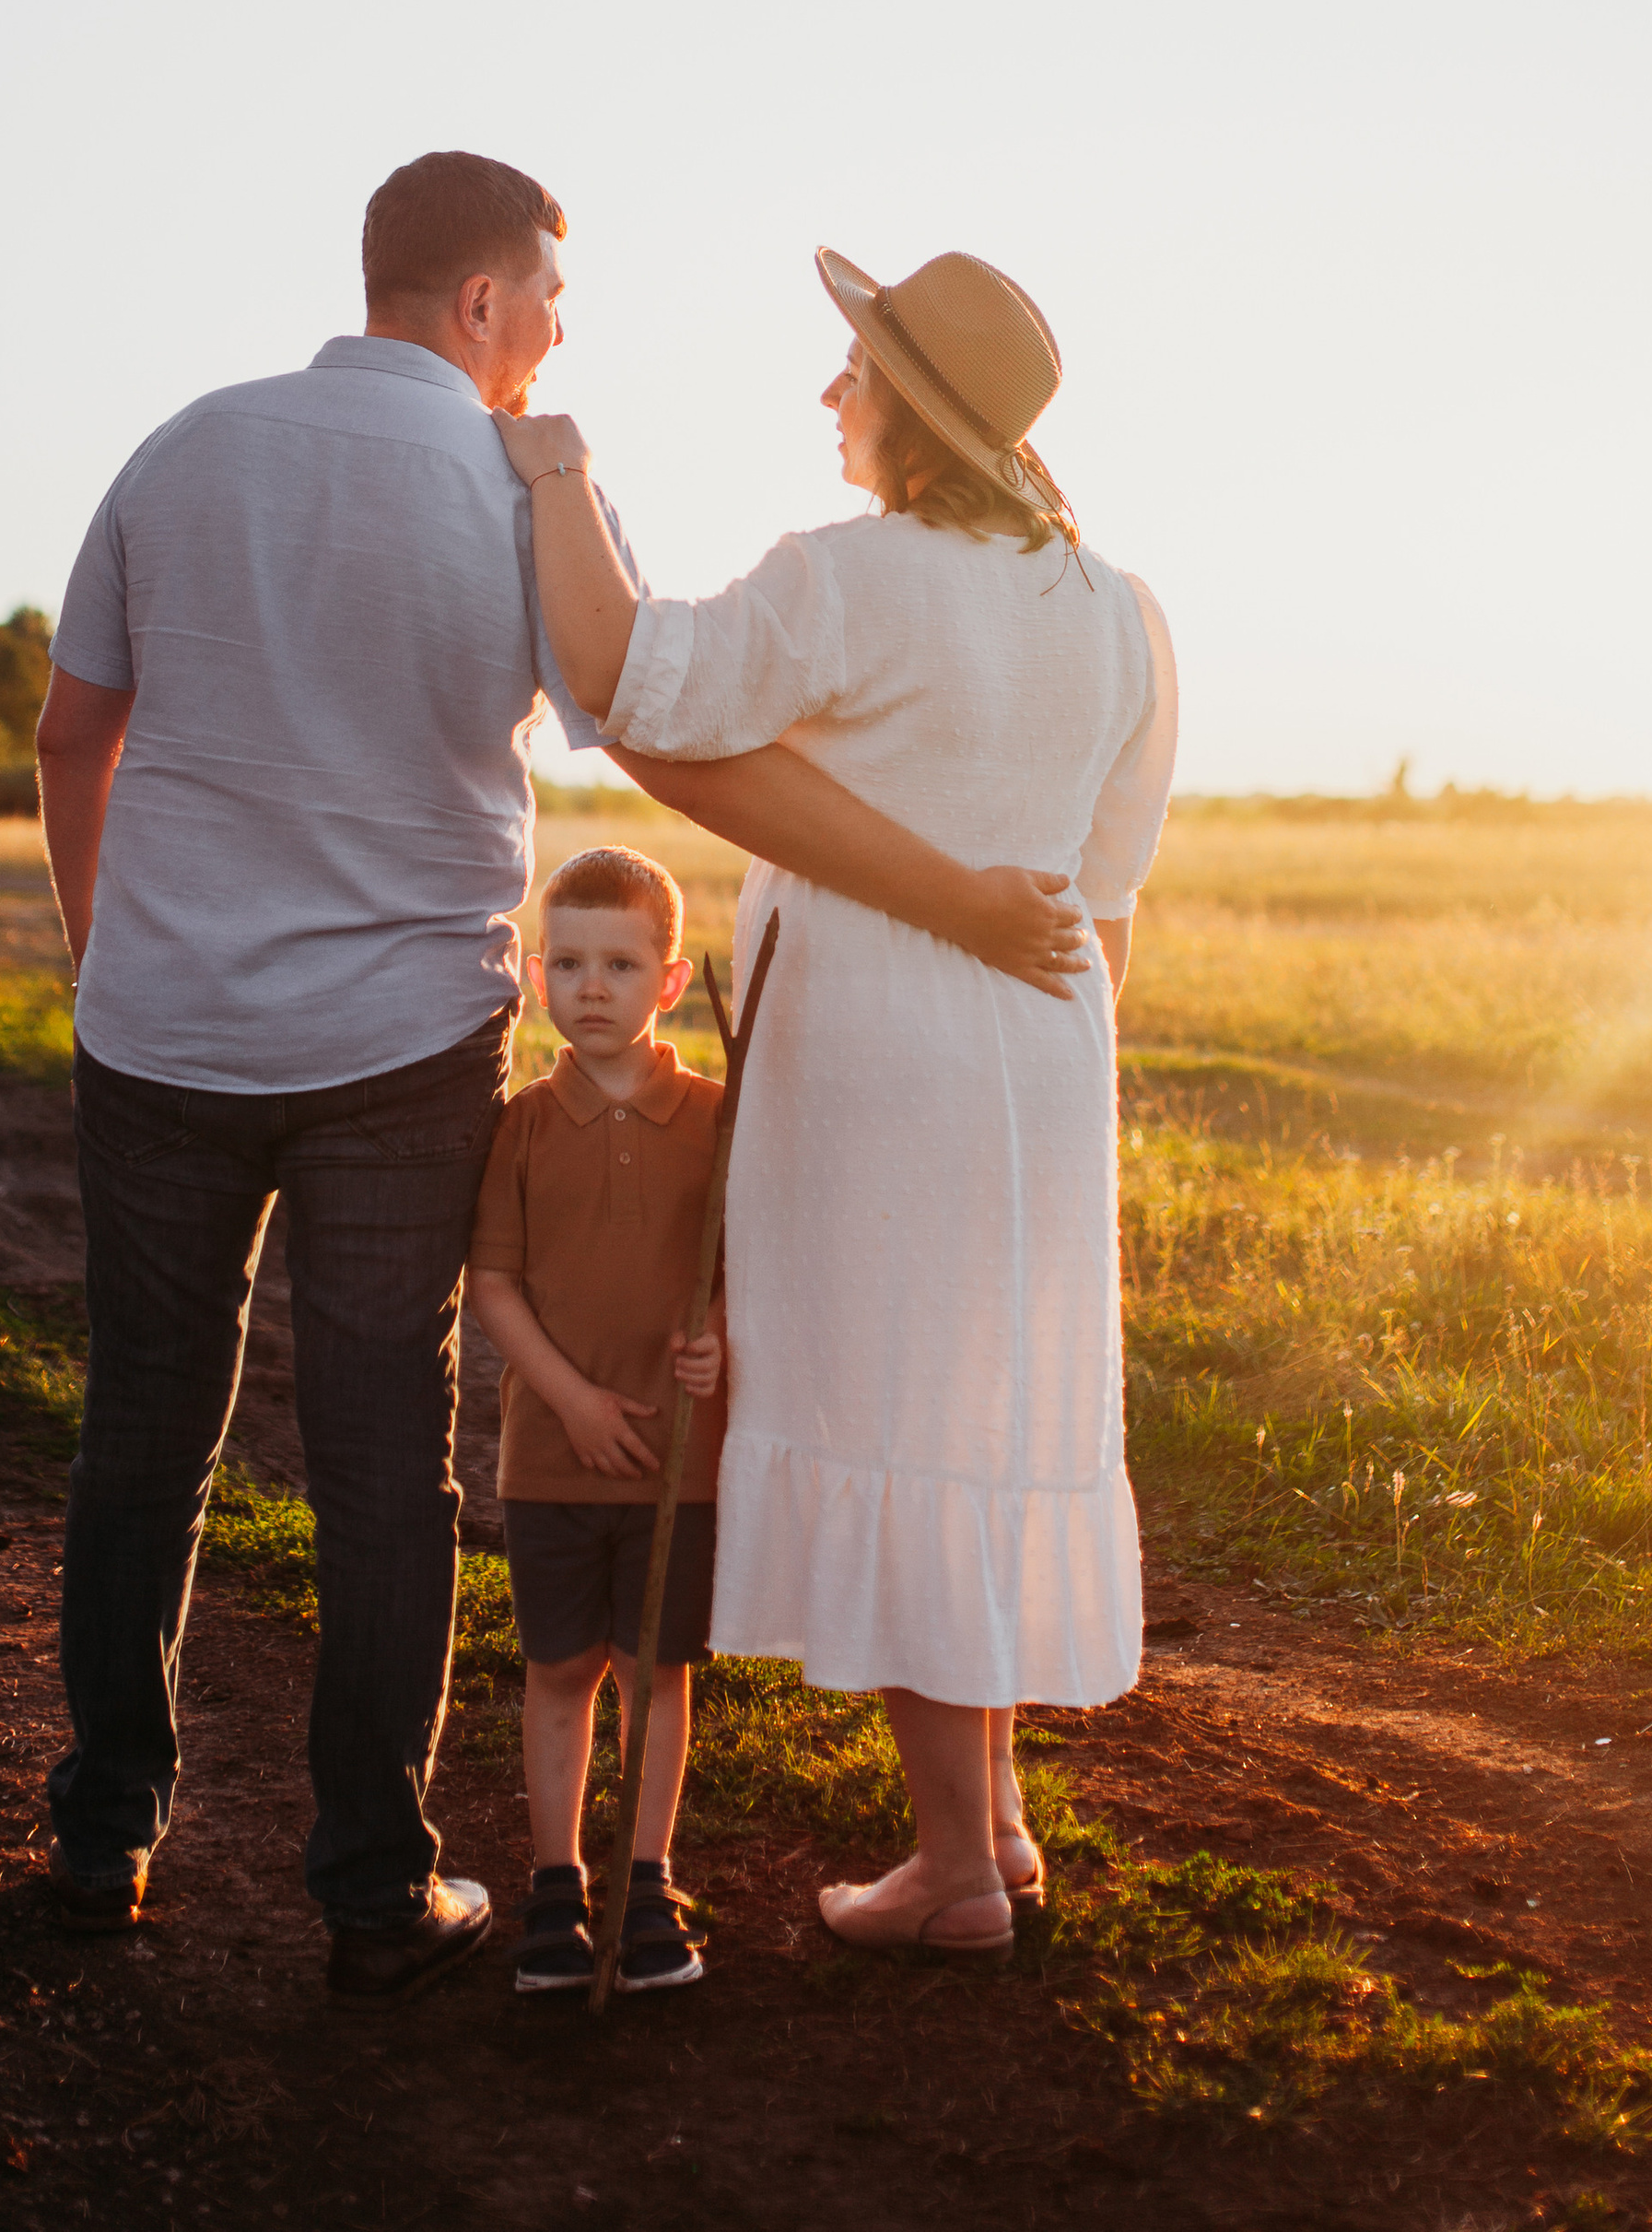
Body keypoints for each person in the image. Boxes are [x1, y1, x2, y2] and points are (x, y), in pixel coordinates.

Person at [35, 155, 1095, 1999]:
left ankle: (103, 1827)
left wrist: (104, 953)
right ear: (479, 307)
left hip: (160, 1036)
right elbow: (664, 744)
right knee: (376, 1448)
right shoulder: (522, 486)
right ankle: (373, 1880)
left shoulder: (179, 447)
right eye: (547, 304)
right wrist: (940, 889)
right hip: (394, 1051)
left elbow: (74, 734)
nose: (554, 342)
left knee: (144, 1421)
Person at [498, 242, 1179, 1961]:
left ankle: (952, 1873)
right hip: (1044, 1056)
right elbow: (1106, 907)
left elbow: (622, 671)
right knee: (978, 1424)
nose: (829, 396)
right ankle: (999, 1831)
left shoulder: (851, 579)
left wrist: (555, 465)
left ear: (911, 414)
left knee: (898, 1422)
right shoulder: (1121, 612)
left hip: (883, 1053)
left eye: (852, 370)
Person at [466, 844, 723, 1995]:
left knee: (656, 1668)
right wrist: (567, 1399)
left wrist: (730, 1336)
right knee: (563, 1665)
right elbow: (496, 1285)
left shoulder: (719, 1119)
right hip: (551, 1455)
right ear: (533, 973)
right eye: (567, 962)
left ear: (670, 981)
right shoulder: (521, 1125)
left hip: (680, 1461)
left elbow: (747, 1270)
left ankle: (649, 1882)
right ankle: (556, 1888)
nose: (592, 987)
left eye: (620, 964)